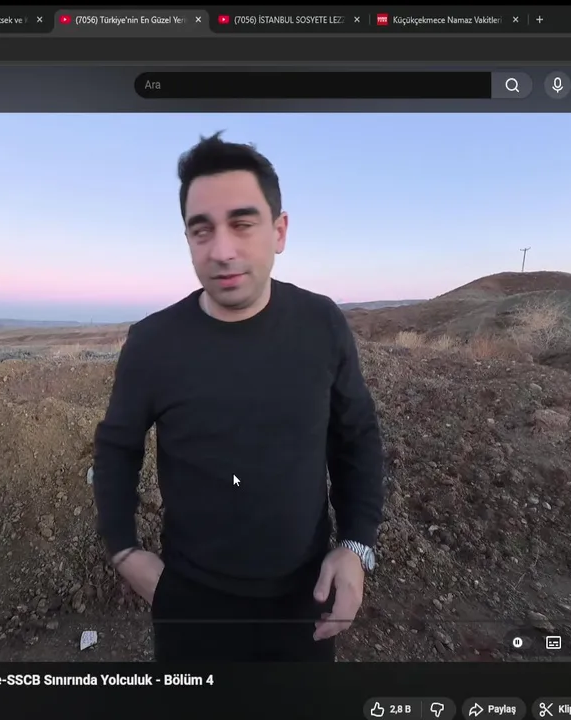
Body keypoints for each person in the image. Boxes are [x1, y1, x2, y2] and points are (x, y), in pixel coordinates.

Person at [92, 132, 386, 661]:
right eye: (201, 230)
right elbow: (117, 446)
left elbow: (356, 437)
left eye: (242, 224)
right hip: (192, 604)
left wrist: (355, 545)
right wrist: (125, 551)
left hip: (305, 600)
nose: (222, 250)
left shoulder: (322, 324)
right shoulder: (153, 343)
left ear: (279, 231)